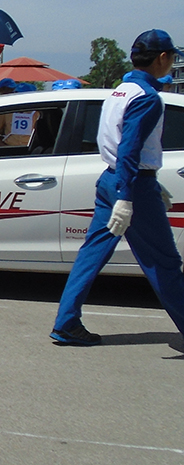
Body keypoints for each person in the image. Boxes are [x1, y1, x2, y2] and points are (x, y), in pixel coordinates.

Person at [51, 29, 184, 346]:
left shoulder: (120, 91)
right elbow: (130, 149)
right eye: (173, 57)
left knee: (91, 254)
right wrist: (129, 195)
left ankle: (66, 323)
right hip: (132, 184)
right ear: (162, 58)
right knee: (164, 262)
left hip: (113, 179)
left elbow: (120, 146)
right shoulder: (148, 98)